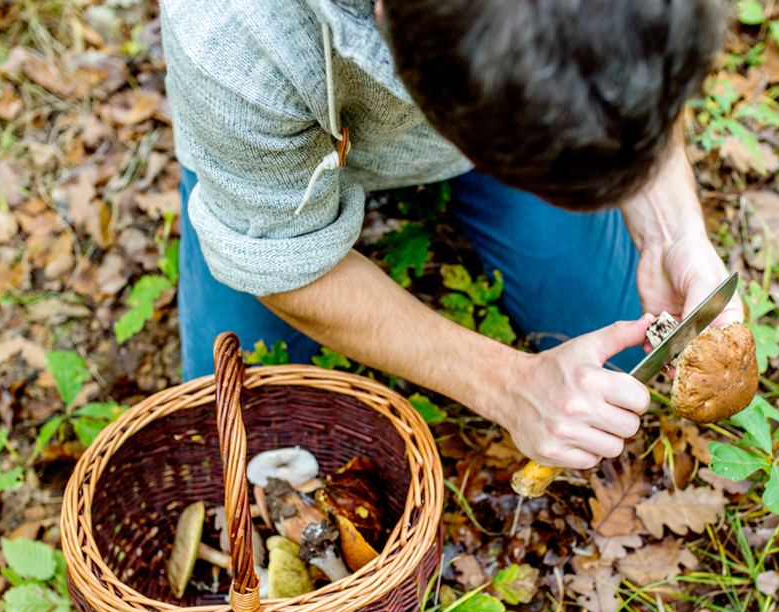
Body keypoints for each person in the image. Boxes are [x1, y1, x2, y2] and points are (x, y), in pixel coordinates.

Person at [162, 0, 743, 470]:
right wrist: (509, 386)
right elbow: (284, 265)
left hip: (494, 106)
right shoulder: (233, 35)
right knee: (251, 442)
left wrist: (672, 231)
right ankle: (248, 178)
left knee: (609, 368)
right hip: (279, 143)